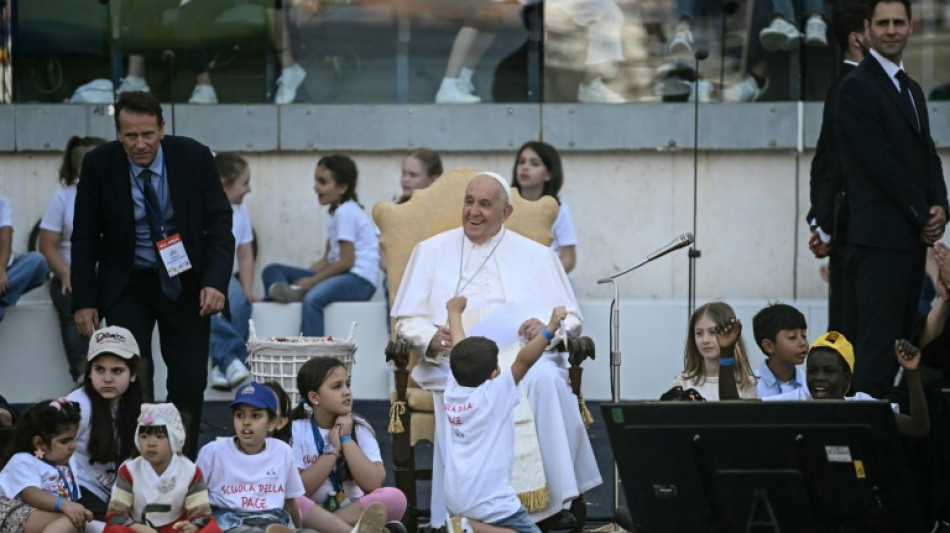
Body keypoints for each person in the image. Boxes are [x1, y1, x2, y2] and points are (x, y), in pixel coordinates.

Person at [391, 172, 601, 527]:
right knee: (467, 391)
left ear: (505, 213)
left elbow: (572, 317)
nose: (473, 211)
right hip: (457, 364)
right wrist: (430, 337)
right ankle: (468, 515)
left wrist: (545, 325)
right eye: (469, 201)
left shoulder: (536, 255)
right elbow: (405, 319)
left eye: (485, 205)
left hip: (523, 357)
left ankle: (550, 507)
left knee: (547, 381)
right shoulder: (430, 251)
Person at [71, 90, 234, 458]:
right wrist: (84, 301)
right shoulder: (99, 165)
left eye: (148, 134)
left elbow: (220, 224)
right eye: (130, 136)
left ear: (162, 128)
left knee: (189, 380)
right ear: (118, 134)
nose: (140, 144)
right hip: (128, 282)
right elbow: (83, 236)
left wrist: (215, 282)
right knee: (135, 378)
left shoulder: (193, 157)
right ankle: (135, 467)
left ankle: (183, 464)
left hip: (185, 280)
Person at [836, 0, 949, 398]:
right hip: (879, 243)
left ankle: (888, 445)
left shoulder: (912, 89)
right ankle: (865, 453)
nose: (890, 30)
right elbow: (878, 164)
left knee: (905, 345)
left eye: (898, 22)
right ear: (866, 29)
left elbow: (927, 154)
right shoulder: (856, 87)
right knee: (877, 352)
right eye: (882, 23)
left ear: (910, 28)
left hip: (908, 242)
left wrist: (941, 207)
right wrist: (922, 214)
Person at [442, 296, 567, 533]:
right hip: (492, 502)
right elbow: (524, 360)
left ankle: (467, 524)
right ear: (493, 374)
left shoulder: (453, 388)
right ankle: (470, 528)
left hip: (457, 496)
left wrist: (453, 312)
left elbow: (459, 348)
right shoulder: (493, 395)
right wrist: (550, 328)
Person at [197, 381, 388, 533]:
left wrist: (298, 529)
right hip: (231, 521)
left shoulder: (282, 451)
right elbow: (195, 494)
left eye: (255, 416)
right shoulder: (213, 451)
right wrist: (197, 525)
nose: (246, 422)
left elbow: (290, 503)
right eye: (239, 415)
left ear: (274, 422)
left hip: (275, 520)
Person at [262, 155, 379, 337]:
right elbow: (327, 260)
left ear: (342, 187)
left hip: (359, 280)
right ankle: (291, 294)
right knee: (272, 270)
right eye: (316, 180)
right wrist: (304, 277)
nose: (316, 186)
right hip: (344, 274)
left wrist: (311, 282)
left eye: (322, 182)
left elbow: (347, 261)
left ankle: (313, 358)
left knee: (312, 299)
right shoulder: (336, 213)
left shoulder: (345, 212)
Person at [806, 3, 868, 338]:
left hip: (849, 229)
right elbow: (831, 161)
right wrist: (825, 226)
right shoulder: (850, 86)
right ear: (857, 38)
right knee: (851, 328)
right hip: (853, 231)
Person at [291, 357, 407, 531]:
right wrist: (332, 450)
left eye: (348, 384)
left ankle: (329, 528)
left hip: (353, 511)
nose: (347, 392)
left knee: (395, 497)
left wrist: (346, 439)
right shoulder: (297, 429)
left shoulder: (360, 427)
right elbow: (300, 489)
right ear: (314, 397)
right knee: (292, 500)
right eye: (337, 387)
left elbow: (373, 483)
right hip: (312, 511)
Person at [763, 332, 930, 437]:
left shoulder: (863, 405)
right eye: (812, 371)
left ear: (846, 378)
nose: (819, 377)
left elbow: (918, 427)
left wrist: (912, 374)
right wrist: (734, 357)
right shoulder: (794, 402)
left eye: (828, 371)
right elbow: (740, 412)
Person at [39, 135, 107, 383]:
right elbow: (47, 244)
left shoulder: (119, 196)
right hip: (72, 274)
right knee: (71, 301)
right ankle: (83, 376)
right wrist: (66, 273)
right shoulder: (63, 198)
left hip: (110, 275)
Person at [66, 325, 146, 522]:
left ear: (133, 374)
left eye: (117, 370)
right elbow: (42, 452)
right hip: (74, 488)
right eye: (100, 369)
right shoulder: (77, 405)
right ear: (90, 372)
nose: (107, 379)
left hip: (115, 493)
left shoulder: (137, 405)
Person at [104, 403, 220, 533]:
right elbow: (116, 514)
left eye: (160, 437)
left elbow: (201, 514)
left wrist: (192, 526)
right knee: (115, 530)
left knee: (211, 529)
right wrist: (140, 528)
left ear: (174, 438)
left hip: (176, 529)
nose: (151, 443)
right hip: (138, 528)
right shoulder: (128, 470)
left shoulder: (191, 471)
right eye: (144, 436)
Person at [0, 398, 95, 533]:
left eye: (74, 439)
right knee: (70, 521)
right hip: (9, 513)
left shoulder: (67, 460)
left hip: (39, 517)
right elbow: (30, 494)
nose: (73, 446)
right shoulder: (23, 460)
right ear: (39, 443)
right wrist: (64, 505)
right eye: (64, 441)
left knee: (79, 522)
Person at [209, 153, 255, 391]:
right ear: (225, 183)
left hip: (227, 274)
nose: (248, 189)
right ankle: (230, 361)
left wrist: (247, 288)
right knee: (208, 305)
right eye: (244, 182)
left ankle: (221, 366)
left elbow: (245, 253)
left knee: (241, 303)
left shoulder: (241, 210)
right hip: (203, 273)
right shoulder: (203, 206)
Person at [511, 142, 577, 274]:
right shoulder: (505, 206)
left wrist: (546, 278)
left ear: (549, 174)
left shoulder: (560, 210)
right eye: (521, 162)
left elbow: (569, 259)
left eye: (534, 163)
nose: (525, 167)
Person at [673, 302, 758, 400]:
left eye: (713, 332)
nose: (705, 340)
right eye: (699, 333)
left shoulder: (748, 383)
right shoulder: (683, 383)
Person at [0, 197, 48, 324]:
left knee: (38, 262)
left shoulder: (2, 202)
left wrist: (1, 269)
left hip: (5, 274)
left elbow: (6, 238)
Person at [751, 303, 808, 398]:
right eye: (792, 337)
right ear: (768, 346)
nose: (803, 343)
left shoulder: (809, 381)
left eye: (804, 336)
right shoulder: (752, 385)